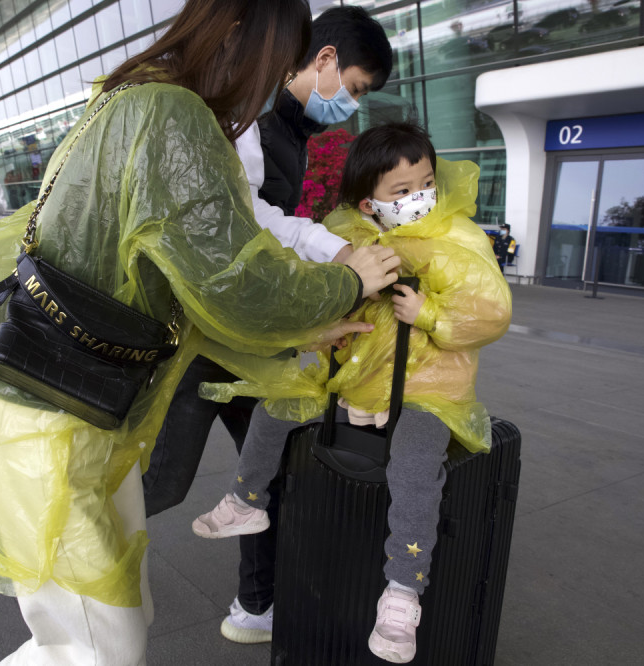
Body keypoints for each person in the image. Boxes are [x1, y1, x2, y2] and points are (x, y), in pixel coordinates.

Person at [0, 2, 400, 664]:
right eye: (277, 60)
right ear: (242, 40)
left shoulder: (130, 97)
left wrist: (306, 324)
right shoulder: (176, 118)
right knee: (98, 646)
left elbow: (194, 296)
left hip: (62, 407)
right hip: (52, 422)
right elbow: (232, 283)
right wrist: (347, 281)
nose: (271, 84)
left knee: (112, 624)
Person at [193, 123, 512, 663]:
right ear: (369, 203)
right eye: (402, 191)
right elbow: (322, 286)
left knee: (413, 470)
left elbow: (491, 310)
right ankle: (247, 500)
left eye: (426, 183)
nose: (420, 198)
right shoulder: (352, 236)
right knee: (275, 409)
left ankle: (402, 592)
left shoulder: (455, 238)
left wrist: (428, 312)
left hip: (424, 391)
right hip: (351, 376)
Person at [142, 6, 394, 644]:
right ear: (323, 58)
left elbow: (260, 220)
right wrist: (332, 264)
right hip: (206, 330)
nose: (352, 107)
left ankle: (255, 607)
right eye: (356, 89)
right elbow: (244, 220)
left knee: (271, 466)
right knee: (162, 478)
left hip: (245, 329)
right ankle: (71, 560)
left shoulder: (290, 124)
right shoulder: (237, 110)